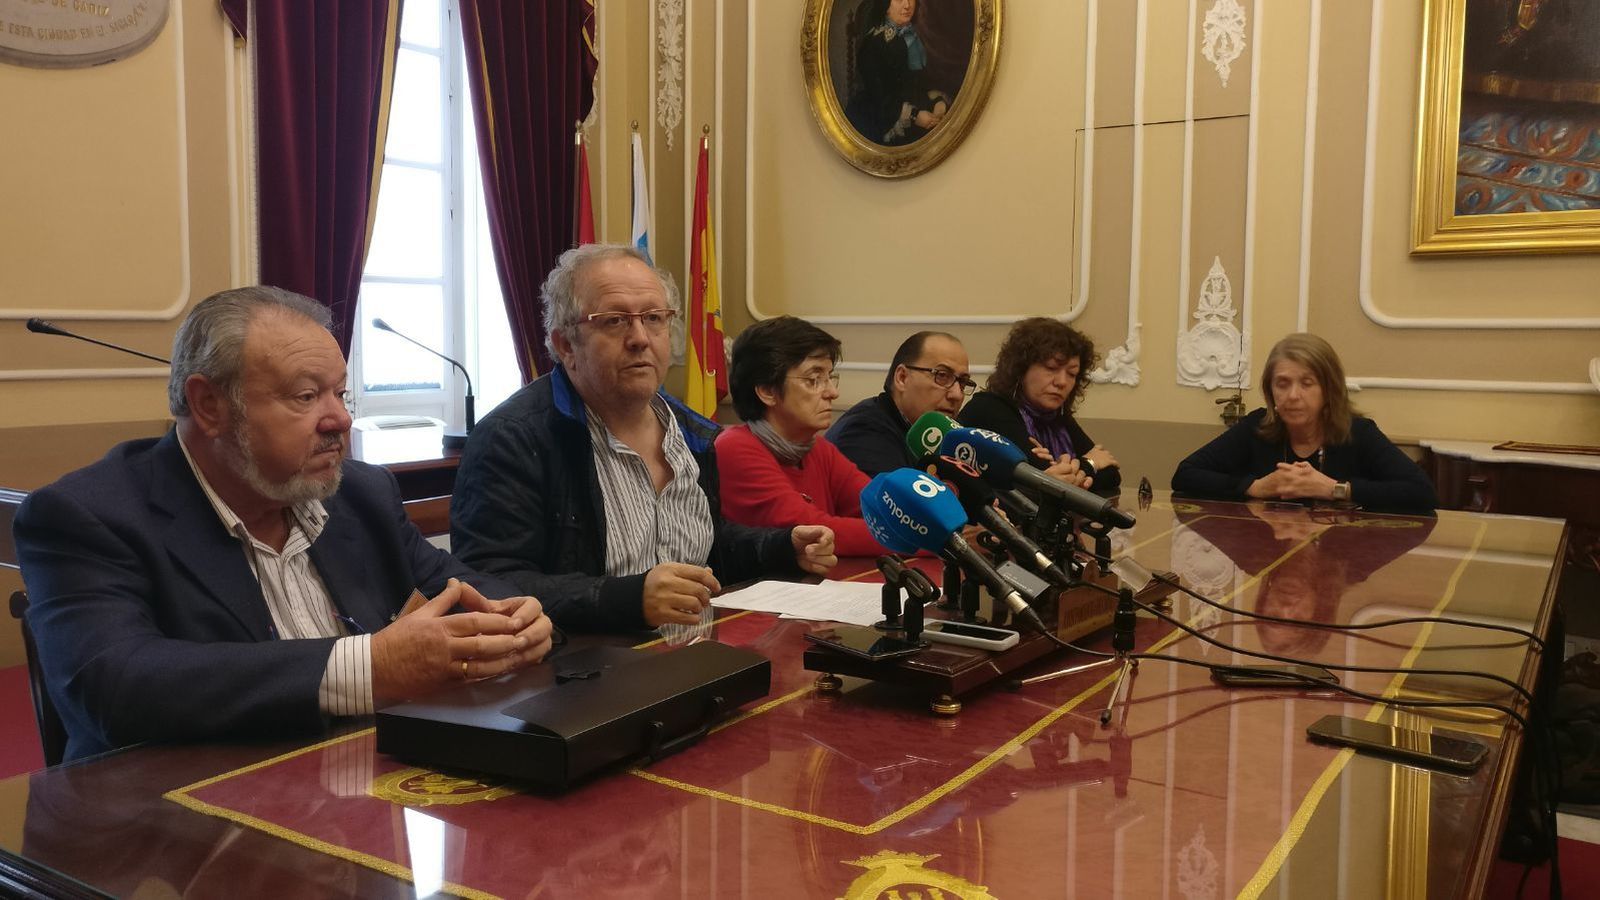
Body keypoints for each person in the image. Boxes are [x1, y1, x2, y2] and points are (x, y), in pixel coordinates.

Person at [12, 287, 552, 762]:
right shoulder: (88, 515)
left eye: (341, 393)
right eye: (305, 395)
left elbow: (454, 582)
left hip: (361, 793)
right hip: (175, 832)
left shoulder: (360, 494)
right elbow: (117, 686)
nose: (339, 418)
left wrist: (514, 618)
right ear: (209, 405)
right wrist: (369, 668)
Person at [450, 244, 838, 633]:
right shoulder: (513, 439)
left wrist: (781, 547)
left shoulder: (694, 433)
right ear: (566, 344)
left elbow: (703, 548)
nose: (640, 338)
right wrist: (627, 599)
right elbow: (490, 584)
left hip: (697, 663)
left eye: (654, 318)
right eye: (615, 320)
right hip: (584, 678)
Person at [1170, 332, 1438, 514]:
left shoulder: (1358, 433)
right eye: (1282, 384)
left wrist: (1334, 489)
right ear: (1270, 390)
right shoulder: (1257, 427)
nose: (1293, 395)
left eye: (1307, 383)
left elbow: (1422, 493)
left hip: (1338, 558)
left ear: (1328, 389)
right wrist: (1256, 487)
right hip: (1267, 555)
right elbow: (1186, 474)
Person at [716, 316, 903, 556]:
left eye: (830, 378)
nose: (832, 393)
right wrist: (926, 538)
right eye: (814, 380)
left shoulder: (815, 447)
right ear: (767, 391)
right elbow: (814, 530)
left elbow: (883, 509)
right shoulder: (734, 448)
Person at [957, 317, 1122, 492]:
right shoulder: (990, 408)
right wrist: (1089, 463)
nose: (1062, 382)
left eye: (1072, 373)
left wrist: (1070, 472)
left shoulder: (1056, 418)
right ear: (1020, 368)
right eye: (1051, 368)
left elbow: (1111, 475)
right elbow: (1042, 477)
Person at [826, 330, 975, 476]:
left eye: (962, 382)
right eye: (942, 376)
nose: (957, 394)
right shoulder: (864, 432)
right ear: (902, 378)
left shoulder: (950, 433)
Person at [844, 0, 952, 146]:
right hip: (882, 116)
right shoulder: (874, 44)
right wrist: (914, 116)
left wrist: (937, 102)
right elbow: (881, 98)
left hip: (913, 106)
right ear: (885, 5)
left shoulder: (912, 38)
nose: (907, 5)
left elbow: (919, 84)